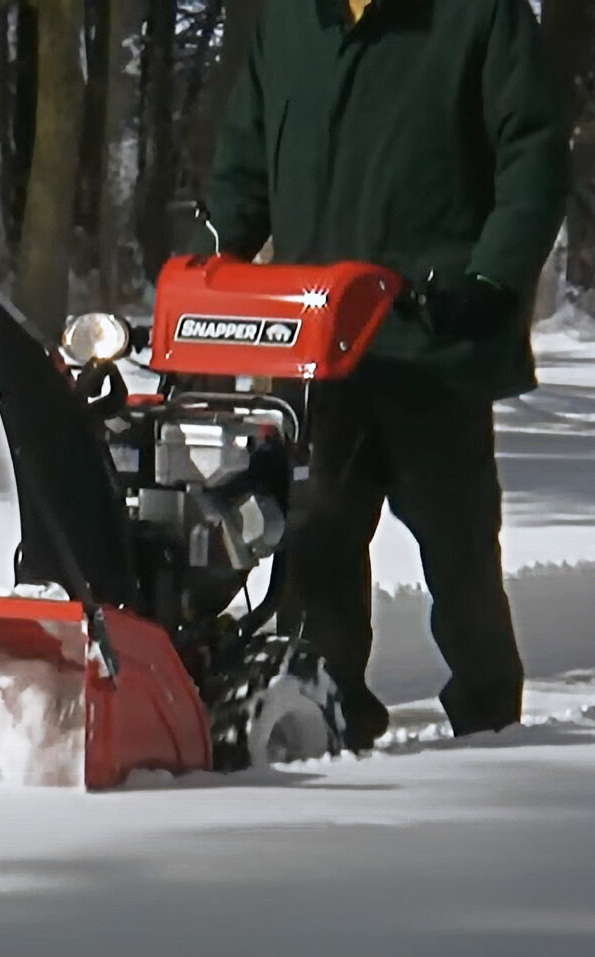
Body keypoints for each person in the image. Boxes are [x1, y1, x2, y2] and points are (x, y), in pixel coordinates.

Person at [201, 0, 571, 750]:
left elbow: (533, 153)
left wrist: (492, 279)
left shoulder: (476, 17)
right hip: (312, 342)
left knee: (458, 548)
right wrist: (217, 252)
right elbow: (243, 155)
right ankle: (327, 719)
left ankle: (489, 722)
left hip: (430, 340)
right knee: (312, 543)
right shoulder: (292, 22)